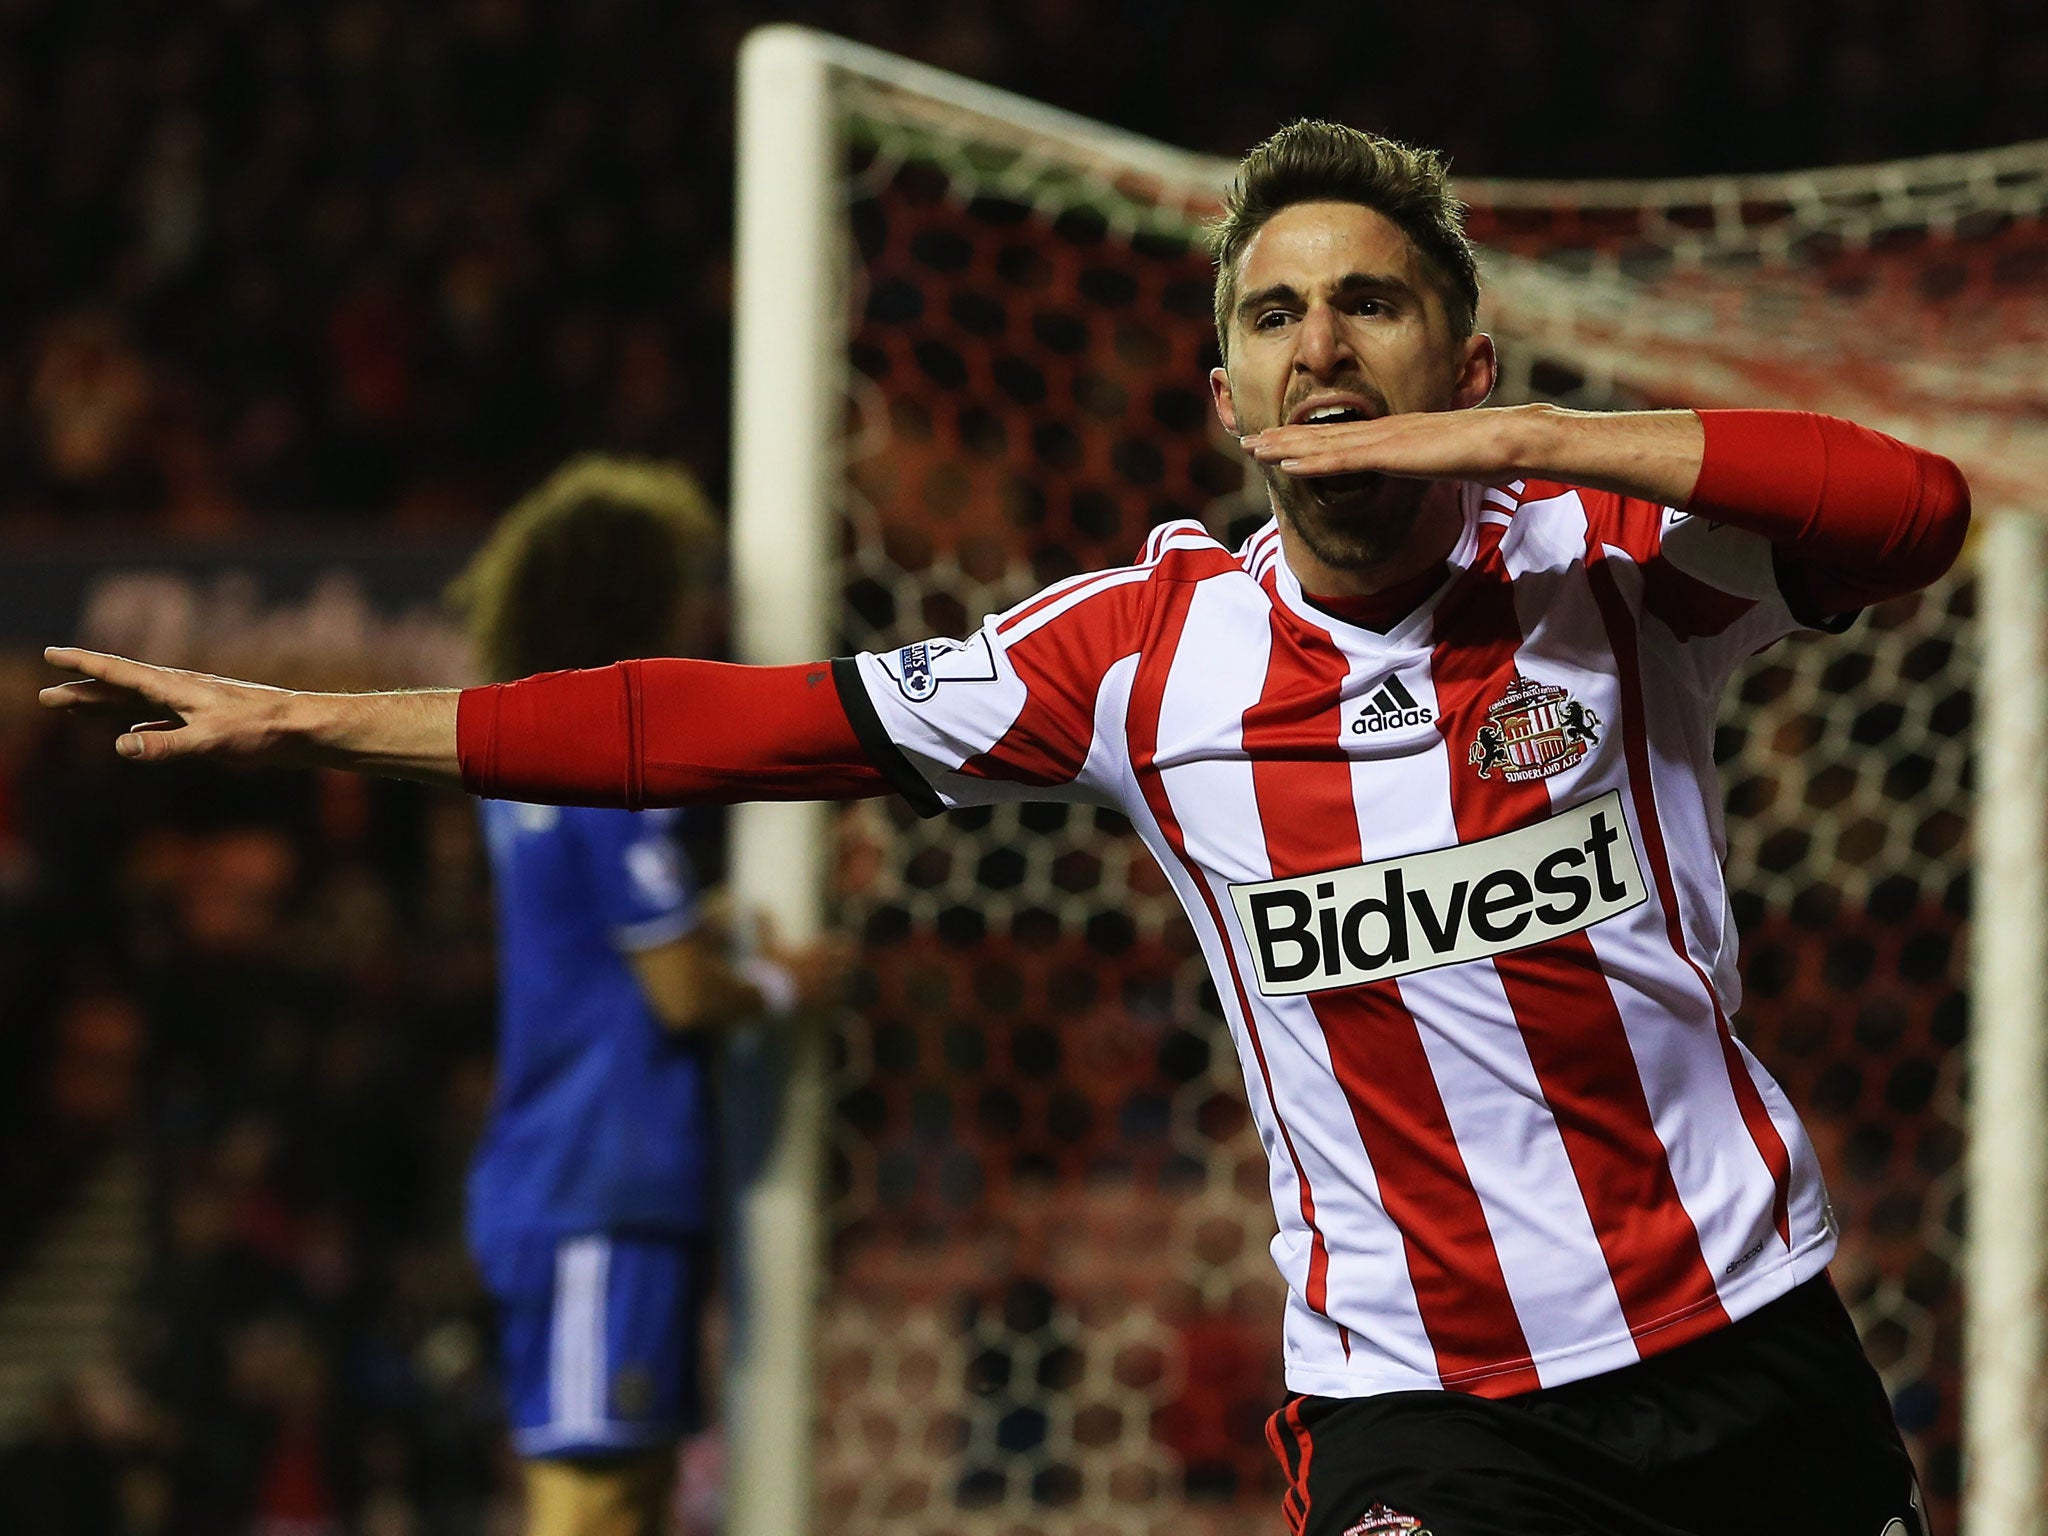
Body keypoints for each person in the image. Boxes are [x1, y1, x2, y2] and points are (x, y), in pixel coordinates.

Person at [42, 121, 1968, 1536]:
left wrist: (1541, 446)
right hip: (1423, 1403)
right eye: (1276, 314)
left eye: (1370, 304)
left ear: (1459, 365)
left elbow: (1912, 510)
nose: (1322, 343)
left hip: (1738, 1337)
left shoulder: (1607, 567)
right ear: (1223, 399)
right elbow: (718, 728)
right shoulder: (1142, 654)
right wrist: (305, 720)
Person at [461, 456, 837, 1536]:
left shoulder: (531, 754)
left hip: (588, 1175)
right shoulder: (601, 767)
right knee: (592, 1503)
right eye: (678, 580)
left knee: (629, 1491)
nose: (697, 606)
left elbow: (590, 940)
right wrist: (780, 981)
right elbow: (678, 994)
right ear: (623, 595)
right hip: (597, 1180)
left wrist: (703, 913)